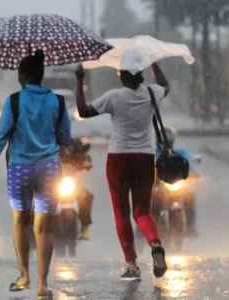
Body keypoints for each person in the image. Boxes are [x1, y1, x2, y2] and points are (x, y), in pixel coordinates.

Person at [0, 50, 71, 299]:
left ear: (23, 75)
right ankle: (43, 284)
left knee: (21, 221)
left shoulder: (13, 101)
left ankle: (24, 275)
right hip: (49, 169)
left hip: (19, 170)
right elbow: (65, 138)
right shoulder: (58, 101)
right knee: (45, 228)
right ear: (42, 75)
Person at [75, 62, 169, 281]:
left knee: (121, 212)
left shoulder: (114, 97)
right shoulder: (151, 92)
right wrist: (155, 64)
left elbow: (83, 110)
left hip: (118, 159)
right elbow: (165, 86)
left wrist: (80, 80)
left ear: (123, 76)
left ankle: (132, 266)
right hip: (145, 158)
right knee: (143, 212)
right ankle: (155, 244)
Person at [154, 127, 197, 234]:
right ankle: (144, 230)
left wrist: (194, 174)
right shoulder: (153, 153)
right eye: (163, 139)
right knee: (148, 201)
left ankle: (190, 225)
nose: (165, 142)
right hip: (158, 185)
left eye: (167, 139)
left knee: (190, 197)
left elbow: (190, 165)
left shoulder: (181, 153)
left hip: (177, 184)